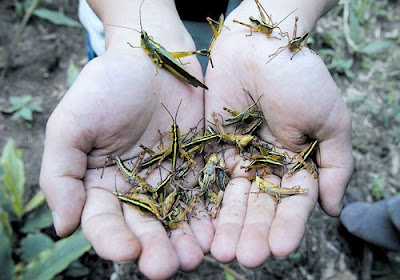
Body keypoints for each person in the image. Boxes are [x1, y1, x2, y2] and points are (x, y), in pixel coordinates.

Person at [39, 0, 354, 279]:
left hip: (238, 44)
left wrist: (281, 13)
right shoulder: (138, 50)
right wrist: (132, 29)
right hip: (126, 34)